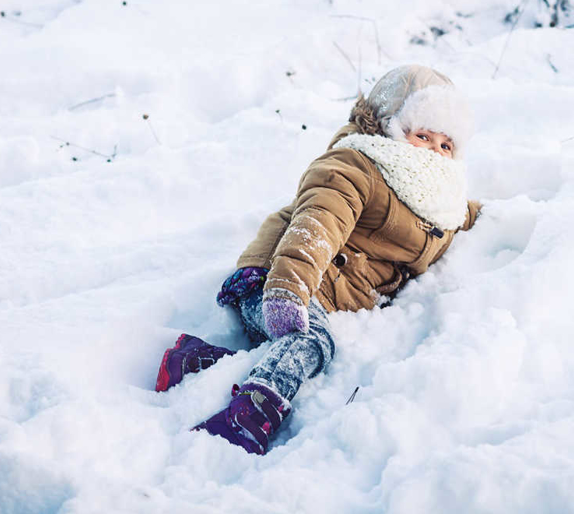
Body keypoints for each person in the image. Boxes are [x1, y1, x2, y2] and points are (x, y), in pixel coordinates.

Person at [154, 65, 482, 455]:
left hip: (322, 295)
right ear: (389, 128)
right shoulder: (354, 167)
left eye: (446, 145)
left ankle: (192, 362)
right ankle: (250, 415)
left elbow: (465, 216)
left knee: (293, 347)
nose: (433, 151)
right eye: (423, 136)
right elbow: (317, 225)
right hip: (280, 281)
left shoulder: (439, 200)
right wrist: (288, 288)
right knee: (311, 340)